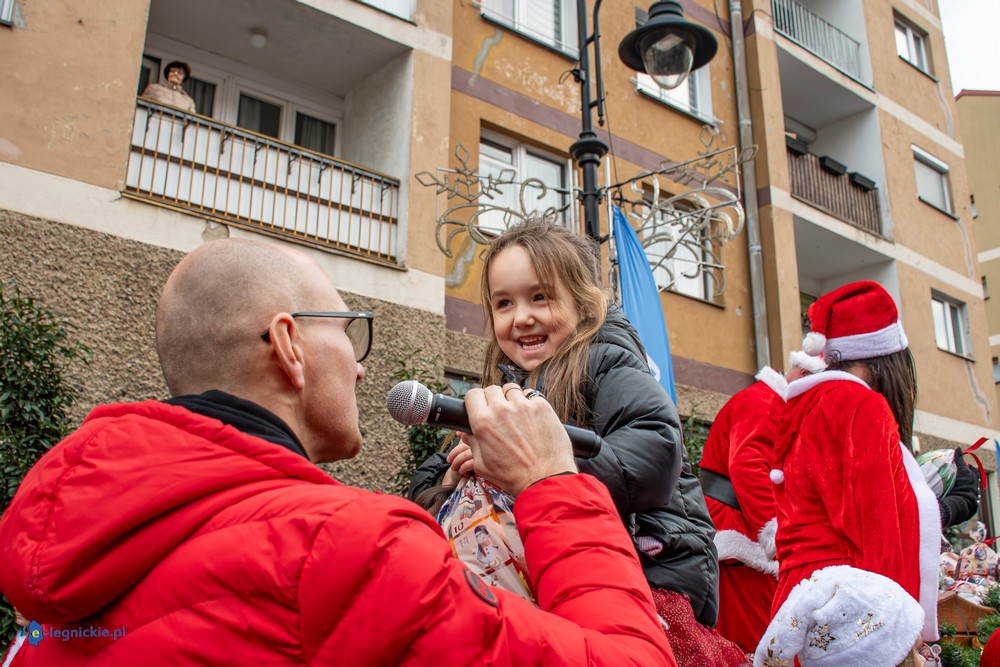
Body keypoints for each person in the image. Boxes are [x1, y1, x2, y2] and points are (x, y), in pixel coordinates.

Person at [0, 238, 675, 666]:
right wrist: (553, 482)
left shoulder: (48, 606)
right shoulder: (354, 550)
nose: (359, 366)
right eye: (349, 333)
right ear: (289, 345)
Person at [410, 219, 746, 666]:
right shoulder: (506, 387)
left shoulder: (604, 361)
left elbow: (655, 451)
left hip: (648, 573)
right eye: (504, 303)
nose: (522, 316)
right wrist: (454, 475)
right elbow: (424, 487)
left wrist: (537, 467)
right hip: (552, 574)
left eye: (540, 297)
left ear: (583, 302)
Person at [756, 281, 940, 666]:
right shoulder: (860, 405)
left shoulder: (811, 404)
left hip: (806, 602)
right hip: (851, 614)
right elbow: (877, 533)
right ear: (887, 357)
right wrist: (898, 631)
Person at [698, 352, 822, 654]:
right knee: (753, 641)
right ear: (806, 376)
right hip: (743, 536)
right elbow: (748, 465)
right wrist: (780, 535)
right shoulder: (765, 402)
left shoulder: (774, 405)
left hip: (748, 535)